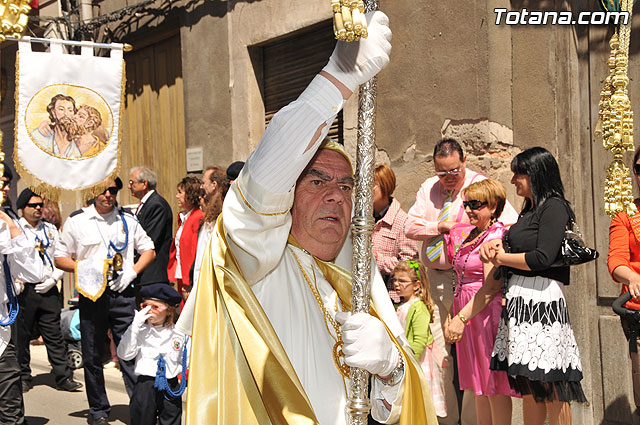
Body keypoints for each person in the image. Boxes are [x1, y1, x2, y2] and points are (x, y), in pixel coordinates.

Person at [186, 11, 438, 424]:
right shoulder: (256, 257)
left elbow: (395, 410)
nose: (336, 196)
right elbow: (265, 172)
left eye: (345, 186)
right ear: (288, 194)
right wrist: (338, 78)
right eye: (317, 181)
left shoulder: (360, 276)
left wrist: (391, 367)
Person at [404, 138, 519, 425]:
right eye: (442, 172)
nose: (448, 178)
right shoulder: (430, 188)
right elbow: (409, 226)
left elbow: (510, 229)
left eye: (453, 171)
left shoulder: (483, 190)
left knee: (486, 374)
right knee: (449, 361)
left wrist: (495, 245)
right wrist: (439, 226)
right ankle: (448, 421)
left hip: (480, 295)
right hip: (445, 283)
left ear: (464, 160)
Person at [480, 147, 586, 425]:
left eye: (519, 173)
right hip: (520, 299)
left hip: (542, 300)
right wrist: (498, 244)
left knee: (551, 381)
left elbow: (542, 257)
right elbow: (521, 244)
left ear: (536, 174)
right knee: (529, 382)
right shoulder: (530, 209)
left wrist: (502, 257)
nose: (514, 179)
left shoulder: (554, 207)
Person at [54, 178, 156, 425]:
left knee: (131, 351)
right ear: (92, 191)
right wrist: (87, 268)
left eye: (114, 190)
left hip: (122, 293)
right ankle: (98, 409)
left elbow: (149, 249)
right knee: (91, 353)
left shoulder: (128, 220)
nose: (109, 195)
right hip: (92, 294)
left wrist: (133, 272)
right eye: (104, 190)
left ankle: (140, 408)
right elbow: (59, 257)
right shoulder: (78, 221)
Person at [444, 179, 518, 425]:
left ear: (494, 206)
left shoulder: (495, 236)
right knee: (478, 387)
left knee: (492, 384)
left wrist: (461, 317)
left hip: (484, 313)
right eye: (466, 204)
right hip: (467, 312)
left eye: (476, 204)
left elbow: (491, 286)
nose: (468, 210)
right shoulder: (473, 234)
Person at [15, 189, 82, 393]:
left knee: (53, 334)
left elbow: (61, 255)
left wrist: (54, 279)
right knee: (22, 335)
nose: (37, 209)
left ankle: (62, 375)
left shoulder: (51, 230)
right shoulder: (16, 229)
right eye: (32, 205)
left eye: (39, 205)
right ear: (22, 208)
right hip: (25, 289)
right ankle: (23, 376)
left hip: (49, 287)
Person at [0, 207, 46, 425]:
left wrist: (13, 229)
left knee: (10, 408)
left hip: (1, 334)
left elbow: (34, 273)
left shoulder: (4, 226)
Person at [117, 283, 186, 425]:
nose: (149, 311)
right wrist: (134, 327)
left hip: (170, 385)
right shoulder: (139, 330)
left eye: (155, 307)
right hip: (145, 385)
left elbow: (190, 360)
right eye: (145, 306)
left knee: (172, 420)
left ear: (169, 310)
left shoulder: (179, 333)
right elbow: (124, 355)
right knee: (141, 419)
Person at [608, 145, 640, 415]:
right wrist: (631, 276)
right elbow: (616, 260)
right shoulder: (625, 215)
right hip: (637, 310)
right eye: (639, 169)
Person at [393, 259, 447, 417]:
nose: (397, 284)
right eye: (395, 280)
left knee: (421, 404)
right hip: (406, 359)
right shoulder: (402, 306)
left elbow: (419, 340)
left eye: (402, 281)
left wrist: (409, 363)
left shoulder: (418, 307)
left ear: (416, 285)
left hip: (418, 362)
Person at [372, 164, 419, 303]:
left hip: (391, 300)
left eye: (372, 184)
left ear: (385, 186)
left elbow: (411, 265)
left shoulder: (402, 221)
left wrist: (377, 259)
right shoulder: (363, 219)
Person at [128, 166, 173, 289]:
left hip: (153, 275)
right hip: (144, 275)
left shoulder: (156, 205)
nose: (129, 186)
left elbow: (150, 239)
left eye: (132, 182)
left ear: (144, 184)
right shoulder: (146, 204)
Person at [191, 165, 229, 288]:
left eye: (203, 183)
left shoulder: (220, 214)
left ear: (214, 185)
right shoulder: (212, 212)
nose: (201, 187)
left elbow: (206, 252)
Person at [167, 176, 203, 299]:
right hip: (182, 275)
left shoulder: (197, 217)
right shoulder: (185, 217)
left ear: (190, 194)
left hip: (190, 278)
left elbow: (193, 252)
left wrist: (188, 282)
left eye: (180, 192)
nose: (177, 196)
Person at [30, 94, 81, 158]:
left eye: (70, 110)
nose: (66, 114)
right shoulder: (40, 134)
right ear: (53, 112)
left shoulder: (77, 140)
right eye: (61, 109)